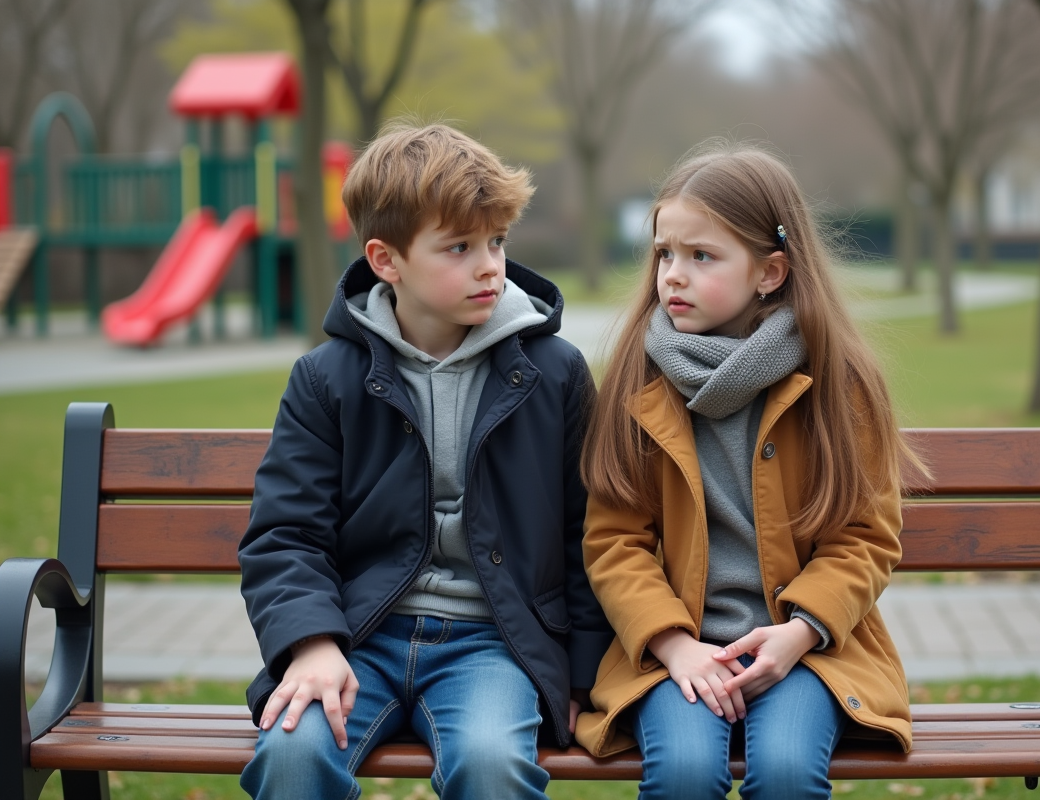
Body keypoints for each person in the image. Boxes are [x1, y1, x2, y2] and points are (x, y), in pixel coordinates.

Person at [238, 122, 611, 800]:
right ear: (386, 260)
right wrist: (312, 644)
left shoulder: (554, 374)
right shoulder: (327, 379)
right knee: (292, 760)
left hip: (494, 646)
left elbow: (588, 536)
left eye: (497, 240)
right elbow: (285, 534)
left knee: (492, 766)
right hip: (357, 636)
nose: (490, 264)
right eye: (459, 247)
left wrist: (583, 676)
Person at [573, 140, 924, 800]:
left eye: (701, 256)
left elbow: (866, 538)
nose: (671, 275)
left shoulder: (837, 385)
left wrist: (798, 633)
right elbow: (615, 541)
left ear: (770, 271)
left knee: (788, 772)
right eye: (663, 254)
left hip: (808, 652)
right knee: (681, 774)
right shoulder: (636, 382)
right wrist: (675, 645)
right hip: (676, 653)